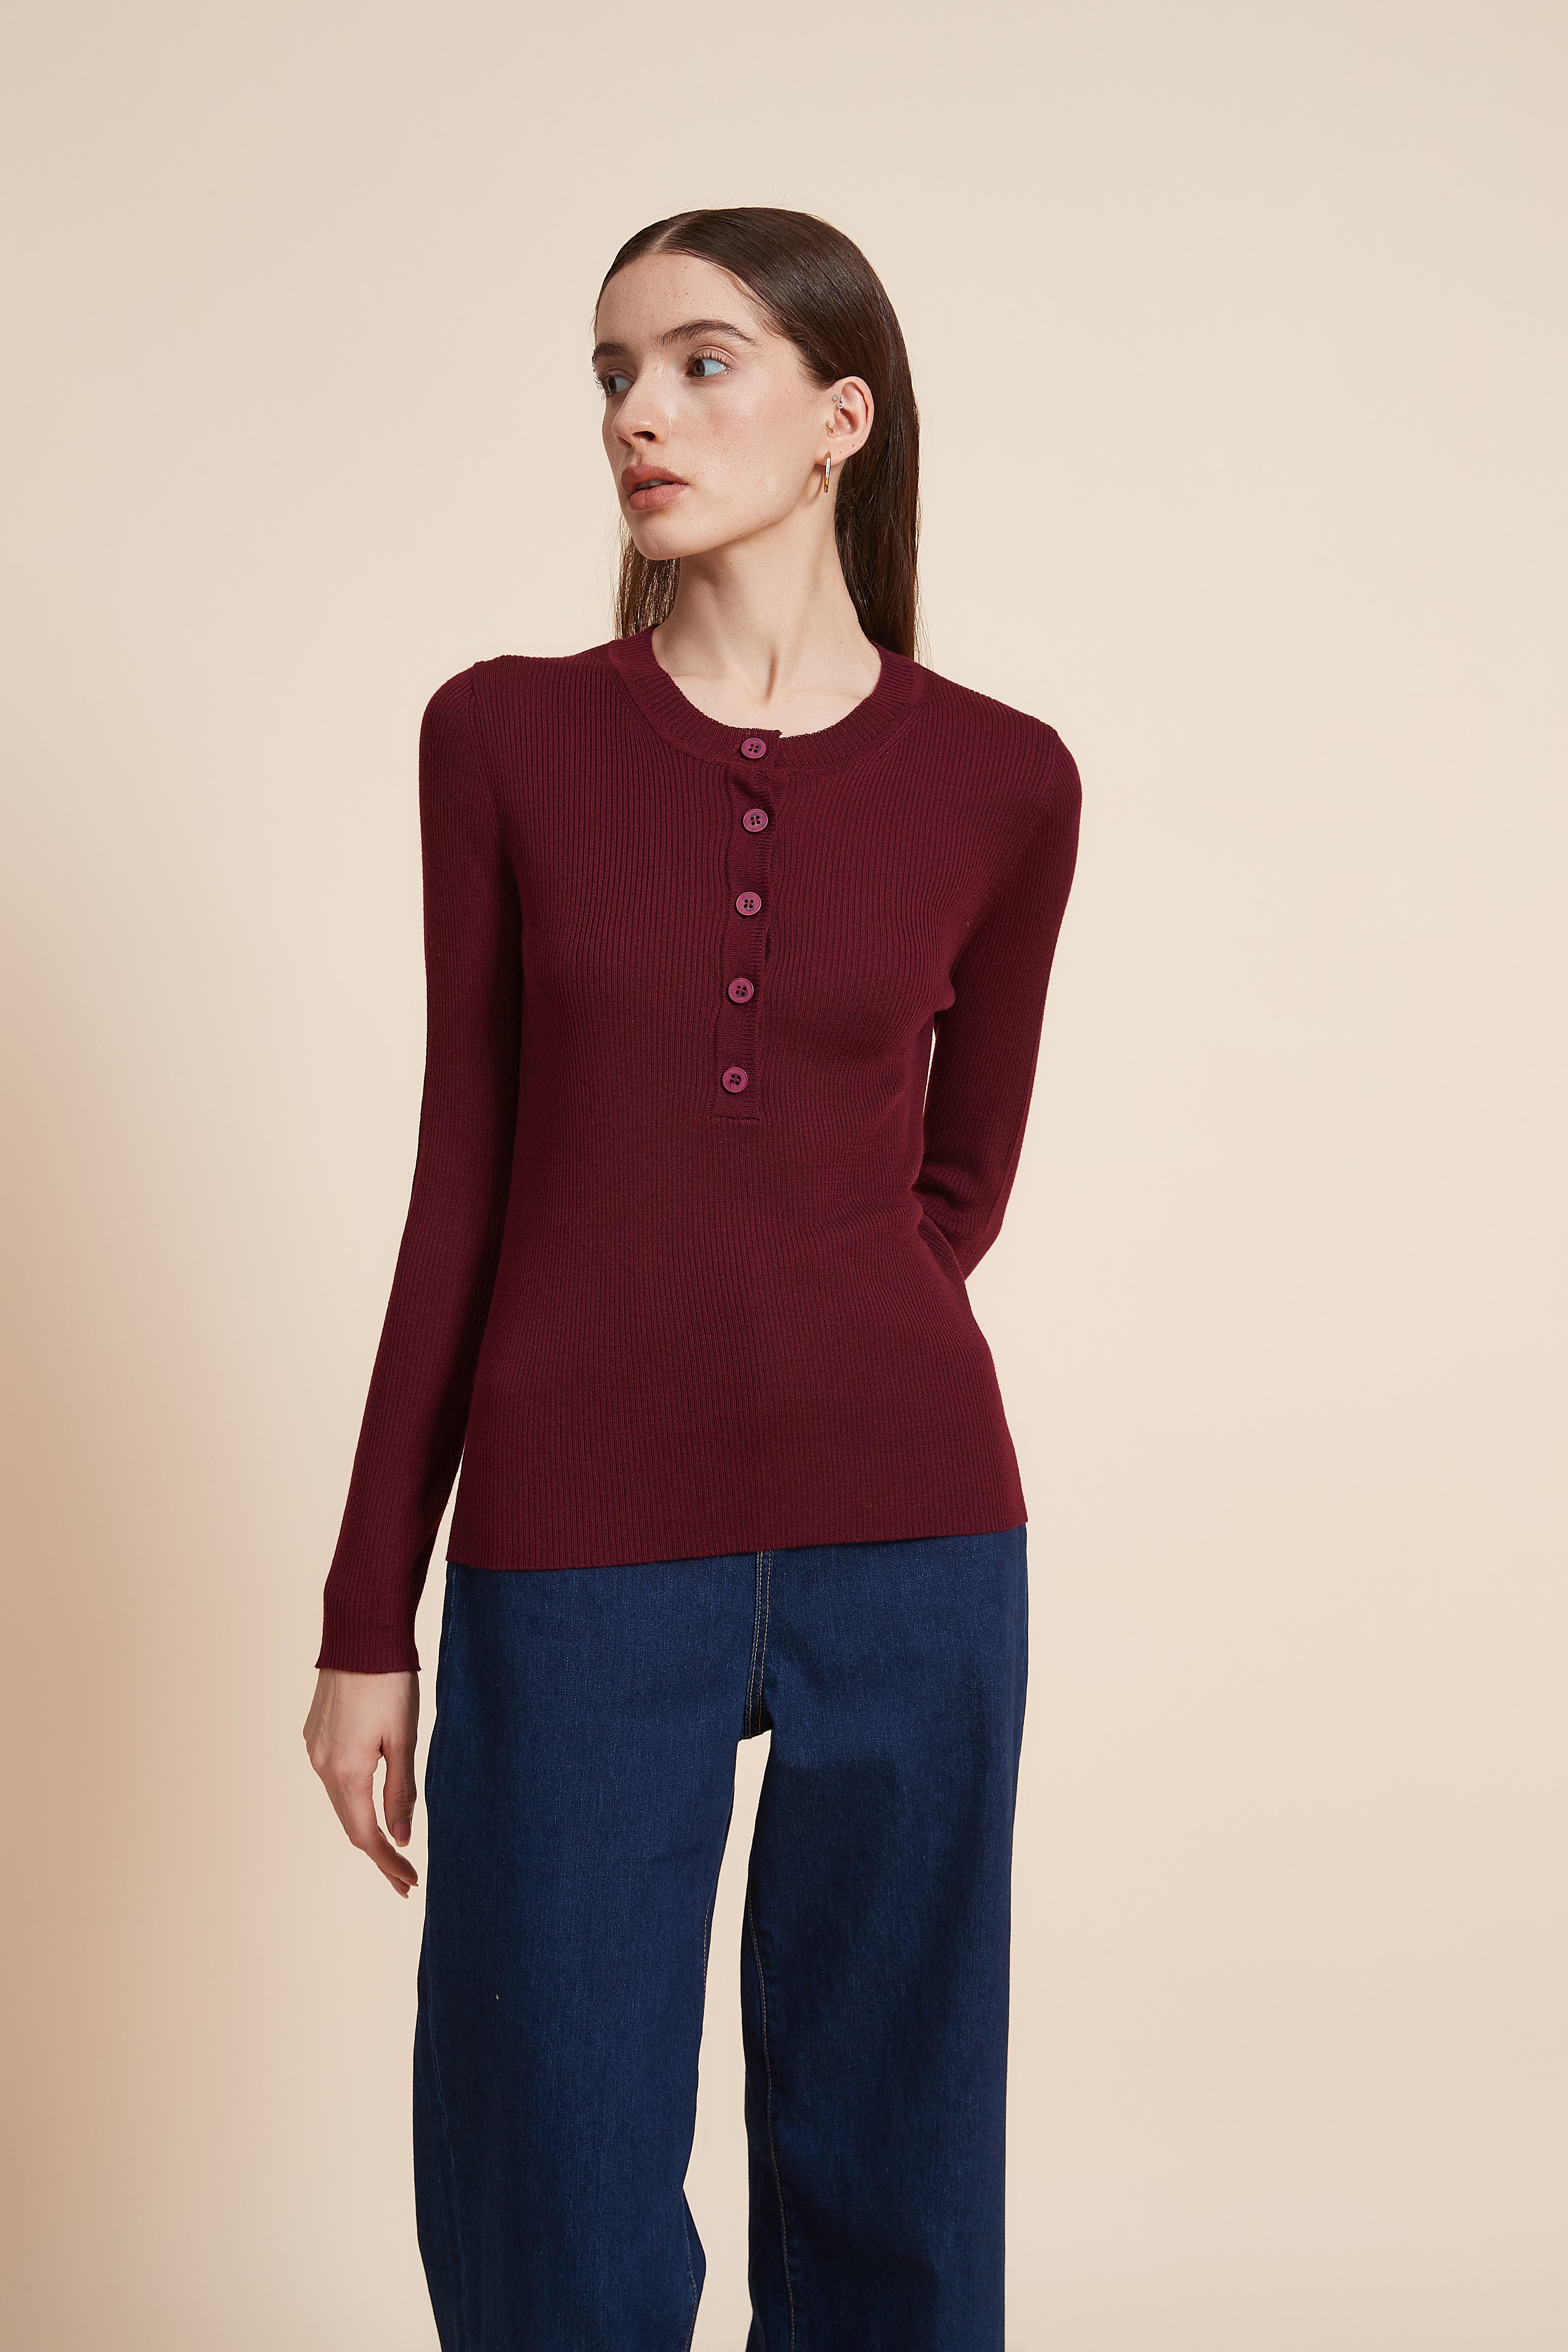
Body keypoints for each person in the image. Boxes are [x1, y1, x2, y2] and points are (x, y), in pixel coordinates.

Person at [303, 205, 1081, 2352]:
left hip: (913, 1543)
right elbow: (466, 1178)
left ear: (841, 418)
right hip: (576, 1543)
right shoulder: (504, 739)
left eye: (699, 363)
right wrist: (370, 1616)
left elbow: (956, 1183)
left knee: (895, 2158)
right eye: (613, 373)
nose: (638, 413)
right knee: (546, 2164)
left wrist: (813, 1316)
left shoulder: (1007, 781)